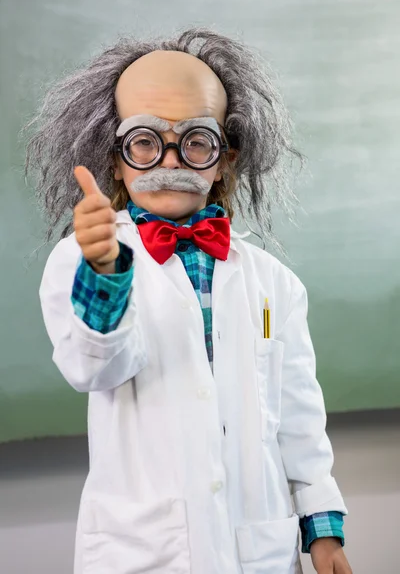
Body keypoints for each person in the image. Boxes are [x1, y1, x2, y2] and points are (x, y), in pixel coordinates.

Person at [27, 29, 352, 574]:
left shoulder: (274, 284)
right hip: (145, 551)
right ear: (115, 158)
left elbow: (298, 417)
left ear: (225, 157)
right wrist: (105, 272)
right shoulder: (82, 259)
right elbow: (94, 367)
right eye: (145, 140)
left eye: (196, 140)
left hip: (258, 548)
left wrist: (322, 530)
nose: (170, 159)